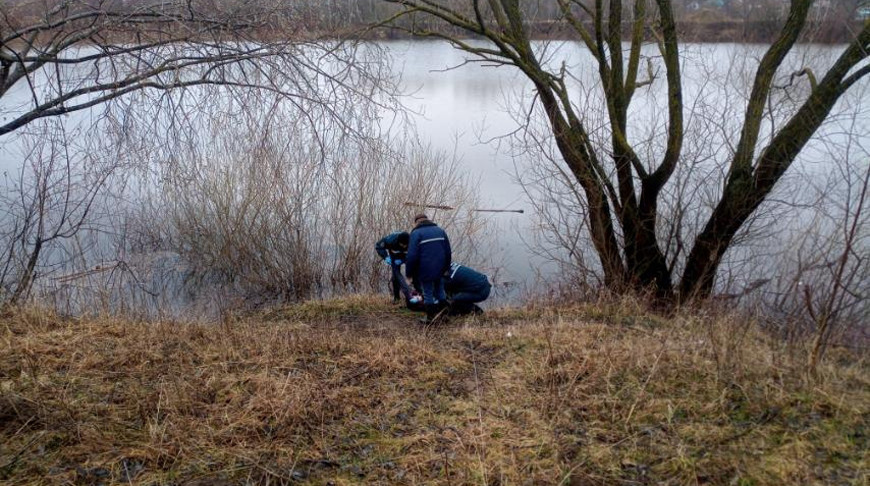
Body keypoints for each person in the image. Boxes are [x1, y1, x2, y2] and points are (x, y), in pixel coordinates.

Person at [405, 213, 451, 323]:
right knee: (440, 291)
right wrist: (446, 268)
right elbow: (448, 252)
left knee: (428, 293)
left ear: (416, 222)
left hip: (425, 270)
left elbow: (411, 256)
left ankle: (431, 318)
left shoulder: (416, 233)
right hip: (440, 268)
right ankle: (444, 316)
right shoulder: (440, 230)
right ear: (427, 219)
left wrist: (409, 274)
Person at [374, 231, 415, 303]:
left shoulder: (413, 242)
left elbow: (415, 254)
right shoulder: (390, 240)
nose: (404, 246)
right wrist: (385, 256)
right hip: (394, 256)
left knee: (415, 272)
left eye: (405, 245)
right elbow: (378, 246)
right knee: (396, 275)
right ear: (398, 241)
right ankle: (401, 297)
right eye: (402, 244)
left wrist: (403, 260)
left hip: (407, 256)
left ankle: (419, 293)